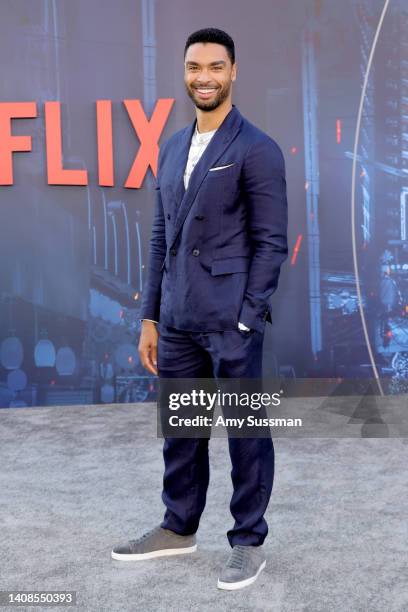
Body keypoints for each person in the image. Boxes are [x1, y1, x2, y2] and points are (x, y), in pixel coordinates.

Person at [111, 27, 288, 591]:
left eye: (215, 66)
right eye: (194, 67)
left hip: (230, 321)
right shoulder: (169, 146)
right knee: (181, 432)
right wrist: (150, 317)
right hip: (180, 320)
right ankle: (178, 527)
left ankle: (247, 541)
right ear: (184, 72)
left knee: (244, 433)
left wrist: (246, 316)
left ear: (233, 72)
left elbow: (271, 242)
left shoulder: (256, 148)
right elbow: (161, 236)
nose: (203, 77)